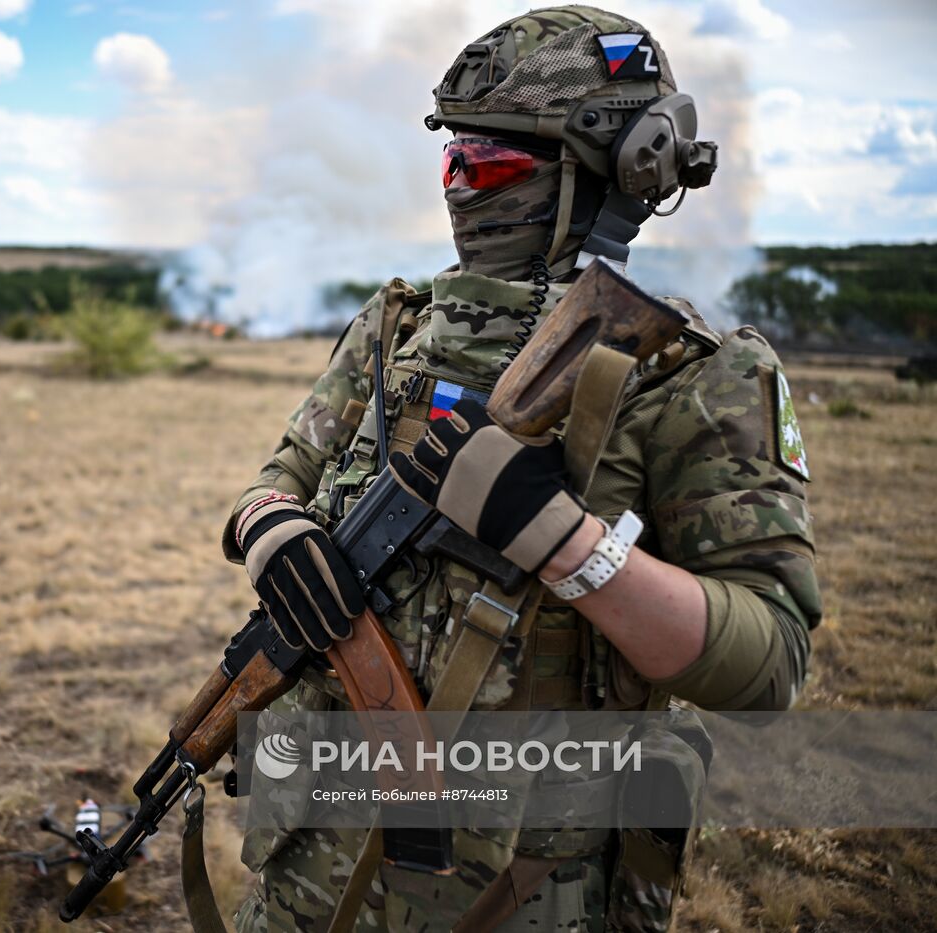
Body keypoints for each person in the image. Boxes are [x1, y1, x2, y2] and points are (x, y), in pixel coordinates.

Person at [224, 7, 820, 931]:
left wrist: (566, 543)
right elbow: (279, 475)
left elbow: (769, 662)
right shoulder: (396, 327)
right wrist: (268, 529)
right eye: (452, 161)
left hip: (519, 895)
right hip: (312, 879)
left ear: (628, 170)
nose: (463, 188)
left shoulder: (697, 376)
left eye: (491, 165)